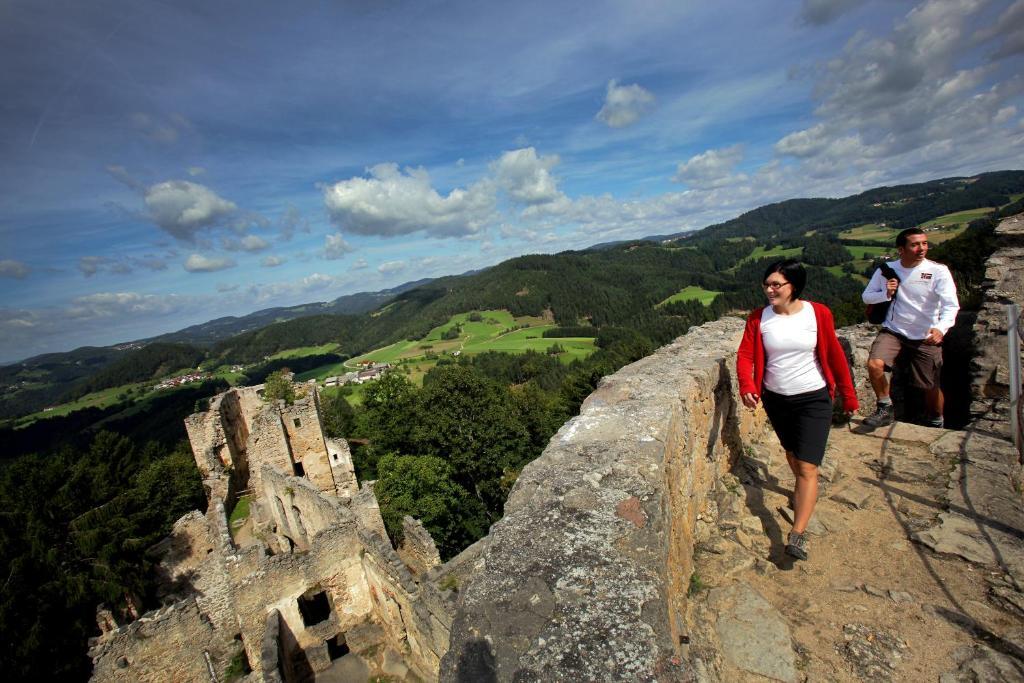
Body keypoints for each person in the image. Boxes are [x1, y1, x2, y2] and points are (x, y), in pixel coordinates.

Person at [737, 259, 858, 561]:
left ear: (794, 286)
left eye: (776, 284)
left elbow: (834, 354)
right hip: (777, 400)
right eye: (767, 284)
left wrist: (848, 395)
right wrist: (746, 385)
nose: (769, 289)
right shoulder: (758, 319)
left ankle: (797, 534)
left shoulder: (818, 314)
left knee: (806, 466)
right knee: (792, 453)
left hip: (814, 398)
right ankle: (803, 490)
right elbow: (745, 355)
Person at [861, 227, 959, 428]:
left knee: (930, 385)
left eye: (924, 243)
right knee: (875, 364)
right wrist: (885, 294)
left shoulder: (937, 271)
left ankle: (936, 420)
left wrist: (941, 328)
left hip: (925, 334)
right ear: (901, 249)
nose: (922, 248)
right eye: (915, 244)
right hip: (894, 330)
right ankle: (885, 407)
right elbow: (866, 297)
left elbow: (951, 305)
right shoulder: (886, 270)